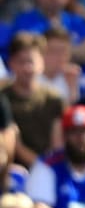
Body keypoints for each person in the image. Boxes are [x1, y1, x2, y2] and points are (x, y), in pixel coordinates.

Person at [2, 32, 65, 168]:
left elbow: (58, 146)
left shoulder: (54, 100)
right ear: (11, 63)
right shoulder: (2, 99)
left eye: (31, 61)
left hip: (48, 169)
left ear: (41, 62)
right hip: (11, 170)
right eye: (21, 61)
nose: (27, 68)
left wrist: (44, 168)